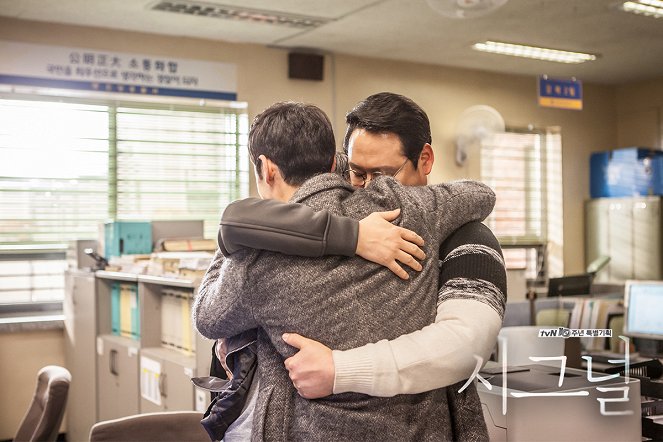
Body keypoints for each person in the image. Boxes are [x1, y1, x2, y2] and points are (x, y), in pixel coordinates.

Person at [193, 101, 497, 440]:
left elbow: (465, 345)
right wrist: (351, 236)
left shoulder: (469, 239)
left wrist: (235, 247)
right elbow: (481, 193)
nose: (366, 187)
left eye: (381, 175)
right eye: (358, 173)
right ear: (335, 164)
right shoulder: (415, 209)